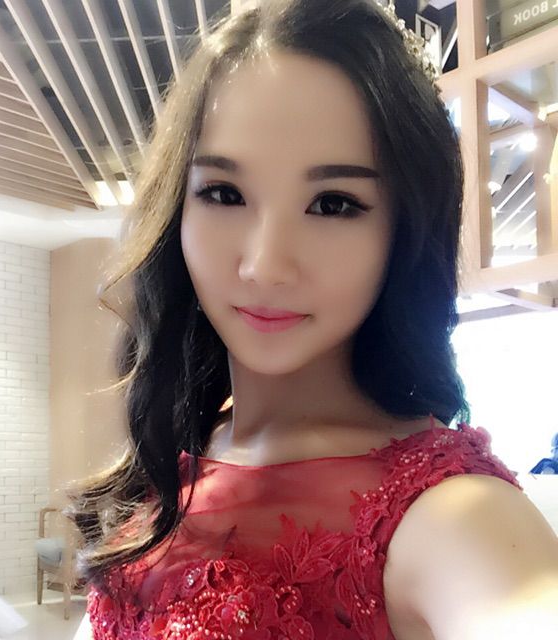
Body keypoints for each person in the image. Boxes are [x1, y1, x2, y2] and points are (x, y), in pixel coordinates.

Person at [66, 1, 558, 638]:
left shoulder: (449, 512)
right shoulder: (177, 456)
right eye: (224, 193)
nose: (265, 266)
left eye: (333, 204)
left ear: (403, 231)